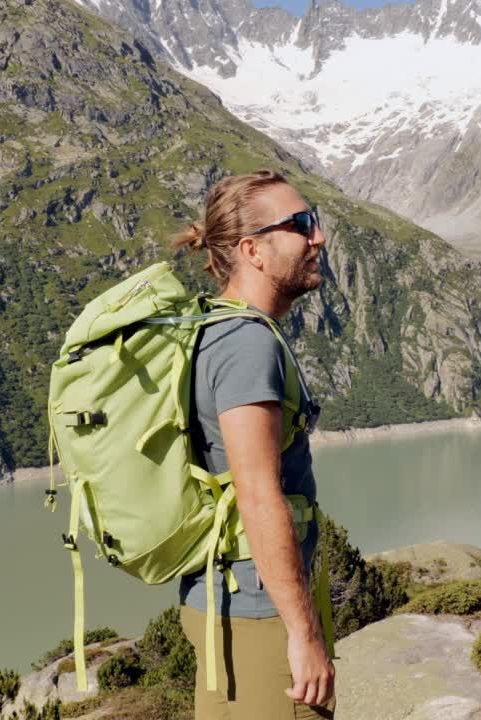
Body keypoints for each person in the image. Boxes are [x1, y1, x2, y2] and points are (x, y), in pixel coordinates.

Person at [171, 169, 335, 719]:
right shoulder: (246, 345)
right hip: (258, 614)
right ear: (253, 250)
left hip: (222, 600)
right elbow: (258, 495)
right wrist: (302, 634)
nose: (318, 238)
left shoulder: (215, 326)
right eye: (302, 225)